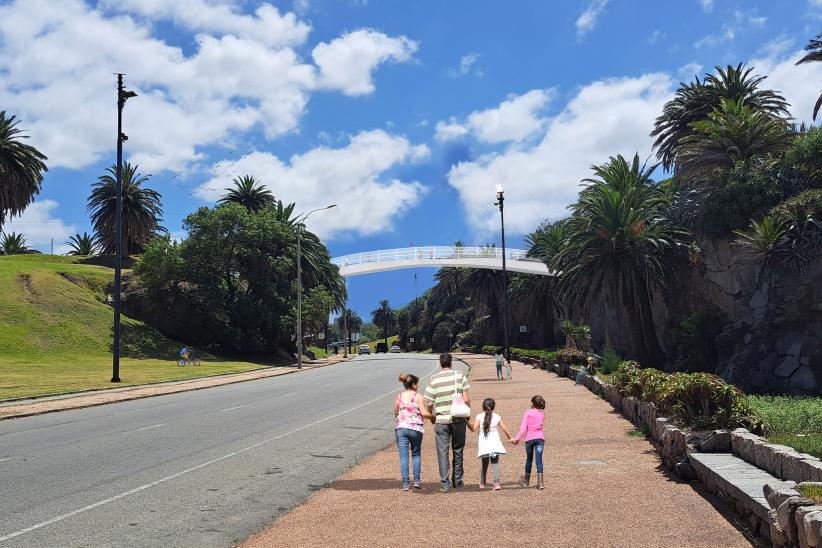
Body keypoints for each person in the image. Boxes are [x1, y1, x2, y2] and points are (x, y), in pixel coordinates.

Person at [424, 353, 471, 492]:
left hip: (441, 420)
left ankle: (445, 484)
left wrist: (432, 416)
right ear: (451, 363)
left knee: (442, 452)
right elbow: (466, 399)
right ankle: (457, 480)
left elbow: (430, 402)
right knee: (458, 449)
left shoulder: (434, 379)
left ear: (440, 363)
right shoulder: (459, 375)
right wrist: (467, 414)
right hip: (458, 419)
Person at [394, 374, 432, 491]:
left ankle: (405, 484)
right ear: (414, 384)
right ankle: (417, 481)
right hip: (416, 428)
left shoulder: (399, 396)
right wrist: (433, 416)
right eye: (417, 383)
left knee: (404, 456)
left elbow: (395, 412)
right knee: (416, 453)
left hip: (401, 428)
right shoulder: (418, 396)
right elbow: (424, 413)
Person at [467, 398, 513, 490]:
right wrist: (510, 437)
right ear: (493, 407)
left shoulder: (479, 416)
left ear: (483, 407)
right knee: (495, 462)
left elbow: (473, 429)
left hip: (484, 443)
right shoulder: (497, 416)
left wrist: (466, 421)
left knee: (484, 463)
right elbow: (504, 429)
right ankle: (496, 483)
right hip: (495, 442)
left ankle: (482, 482)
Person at [511, 395, 546, 490]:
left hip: (530, 439)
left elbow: (523, 429)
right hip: (540, 439)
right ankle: (541, 483)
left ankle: (526, 480)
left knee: (529, 459)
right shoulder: (542, 414)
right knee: (539, 460)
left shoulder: (528, 413)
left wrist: (516, 440)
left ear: (533, 404)